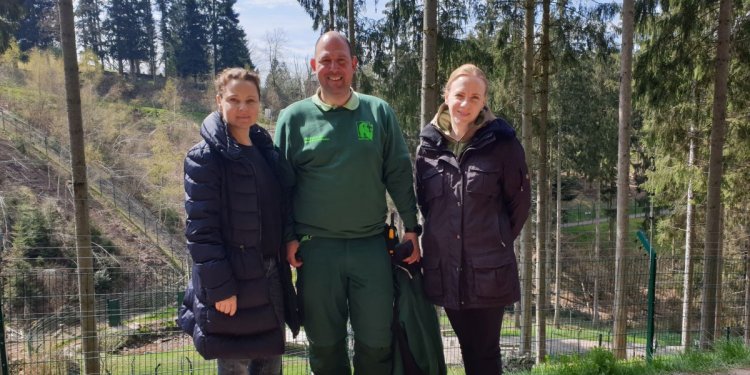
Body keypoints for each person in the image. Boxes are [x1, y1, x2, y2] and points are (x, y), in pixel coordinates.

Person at [274, 31, 421, 375]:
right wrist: (288, 236)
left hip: (371, 247)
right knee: (324, 347)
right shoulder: (292, 119)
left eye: (341, 60)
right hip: (316, 250)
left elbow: (398, 173)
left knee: (377, 342)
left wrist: (412, 228)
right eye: (326, 60)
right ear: (314, 66)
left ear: (354, 65)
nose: (334, 68)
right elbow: (279, 188)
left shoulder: (378, 112)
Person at [415, 64, 531, 375]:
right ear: (446, 96)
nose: (465, 104)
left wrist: (494, 240)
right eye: (460, 95)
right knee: (467, 348)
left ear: (484, 103)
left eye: (475, 98)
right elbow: (428, 207)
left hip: (488, 271)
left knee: (485, 353)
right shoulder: (427, 147)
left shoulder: (503, 145)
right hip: (445, 269)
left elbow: (518, 208)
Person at [178, 67, 293, 375]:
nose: (243, 108)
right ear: (219, 101)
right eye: (234, 99)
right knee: (234, 367)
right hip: (232, 287)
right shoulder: (205, 157)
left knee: (270, 366)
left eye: (251, 100)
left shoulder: (266, 153)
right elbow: (201, 232)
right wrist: (220, 289)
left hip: (270, 281)